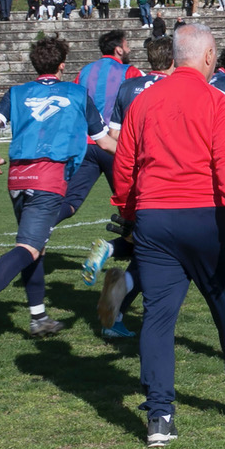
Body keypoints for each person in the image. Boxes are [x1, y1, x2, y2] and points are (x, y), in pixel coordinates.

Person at [111, 24, 225, 447]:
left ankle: (160, 416)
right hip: (204, 215)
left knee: (158, 317)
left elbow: (124, 166)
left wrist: (129, 213)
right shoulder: (217, 99)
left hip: (154, 219)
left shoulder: (142, 101)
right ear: (209, 55)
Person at [0, 36, 116, 344]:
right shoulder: (77, 93)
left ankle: (39, 317)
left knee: (35, 247)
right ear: (62, 65)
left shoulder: (17, 92)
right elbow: (105, 141)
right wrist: (137, 157)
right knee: (28, 247)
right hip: (49, 178)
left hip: (18, 178)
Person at [87, 36, 176, 339]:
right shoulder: (175, 89)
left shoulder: (128, 88)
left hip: (134, 178)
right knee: (164, 251)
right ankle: (123, 300)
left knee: (146, 244)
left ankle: (110, 251)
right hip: (167, 179)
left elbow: (115, 137)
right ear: (174, 60)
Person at [63, 31, 143, 246]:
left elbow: (74, 101)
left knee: (70, 201)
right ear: (119, 49)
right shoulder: (131, 72)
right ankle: (134, 247)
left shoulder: (86, 70)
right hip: (115, 146)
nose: (129, 50)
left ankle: (39, 224)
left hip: (87, 145)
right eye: (127, 45)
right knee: (130, 202)